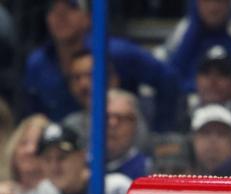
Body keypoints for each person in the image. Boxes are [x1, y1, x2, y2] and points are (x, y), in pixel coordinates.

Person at [23, 0, 181, 132]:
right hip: (63, 151)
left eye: (71, 7)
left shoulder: (118, 52)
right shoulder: (37, 63)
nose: (60, 16)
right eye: (53, 10)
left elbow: (168, 79)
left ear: (89, 18)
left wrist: (161, 129)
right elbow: (33, 115)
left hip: (118, 139)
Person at [22, 121, 128, 194]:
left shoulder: (116, 189)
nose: (54, 166)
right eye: (47, 159)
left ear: (82, 156)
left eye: (62, 158)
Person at [162, 0, 231, 90]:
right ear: (197, 3)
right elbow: (170, 79)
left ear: (229, 3)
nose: (213, 8)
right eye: (207, 1)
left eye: (219, 1)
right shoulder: (183, 31)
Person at [0, 114, 50, 194]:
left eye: (38, 144)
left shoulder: (52, 192)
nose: (30, 150)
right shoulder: (5, 190)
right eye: (24, 143)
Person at [189, 104, 231, 176]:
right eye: (206, 133)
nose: (213, 140)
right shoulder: (178, 173)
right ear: (193, 140)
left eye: (221, 134)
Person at [105, 90, 150, 181]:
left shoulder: (147, 170)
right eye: (106, 117)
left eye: (122, 118)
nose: (112, 124)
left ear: (135, 125)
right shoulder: (81, 165)